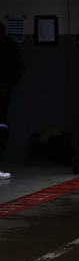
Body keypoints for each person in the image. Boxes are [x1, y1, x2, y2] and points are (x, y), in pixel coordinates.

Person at [0, 22, 25, 179]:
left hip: (2, 90)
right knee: (1, 126)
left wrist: (5, 85)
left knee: (1, 126)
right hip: (2, 90)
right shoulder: (9, 46)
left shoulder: (9, 47)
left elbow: (17, 68)